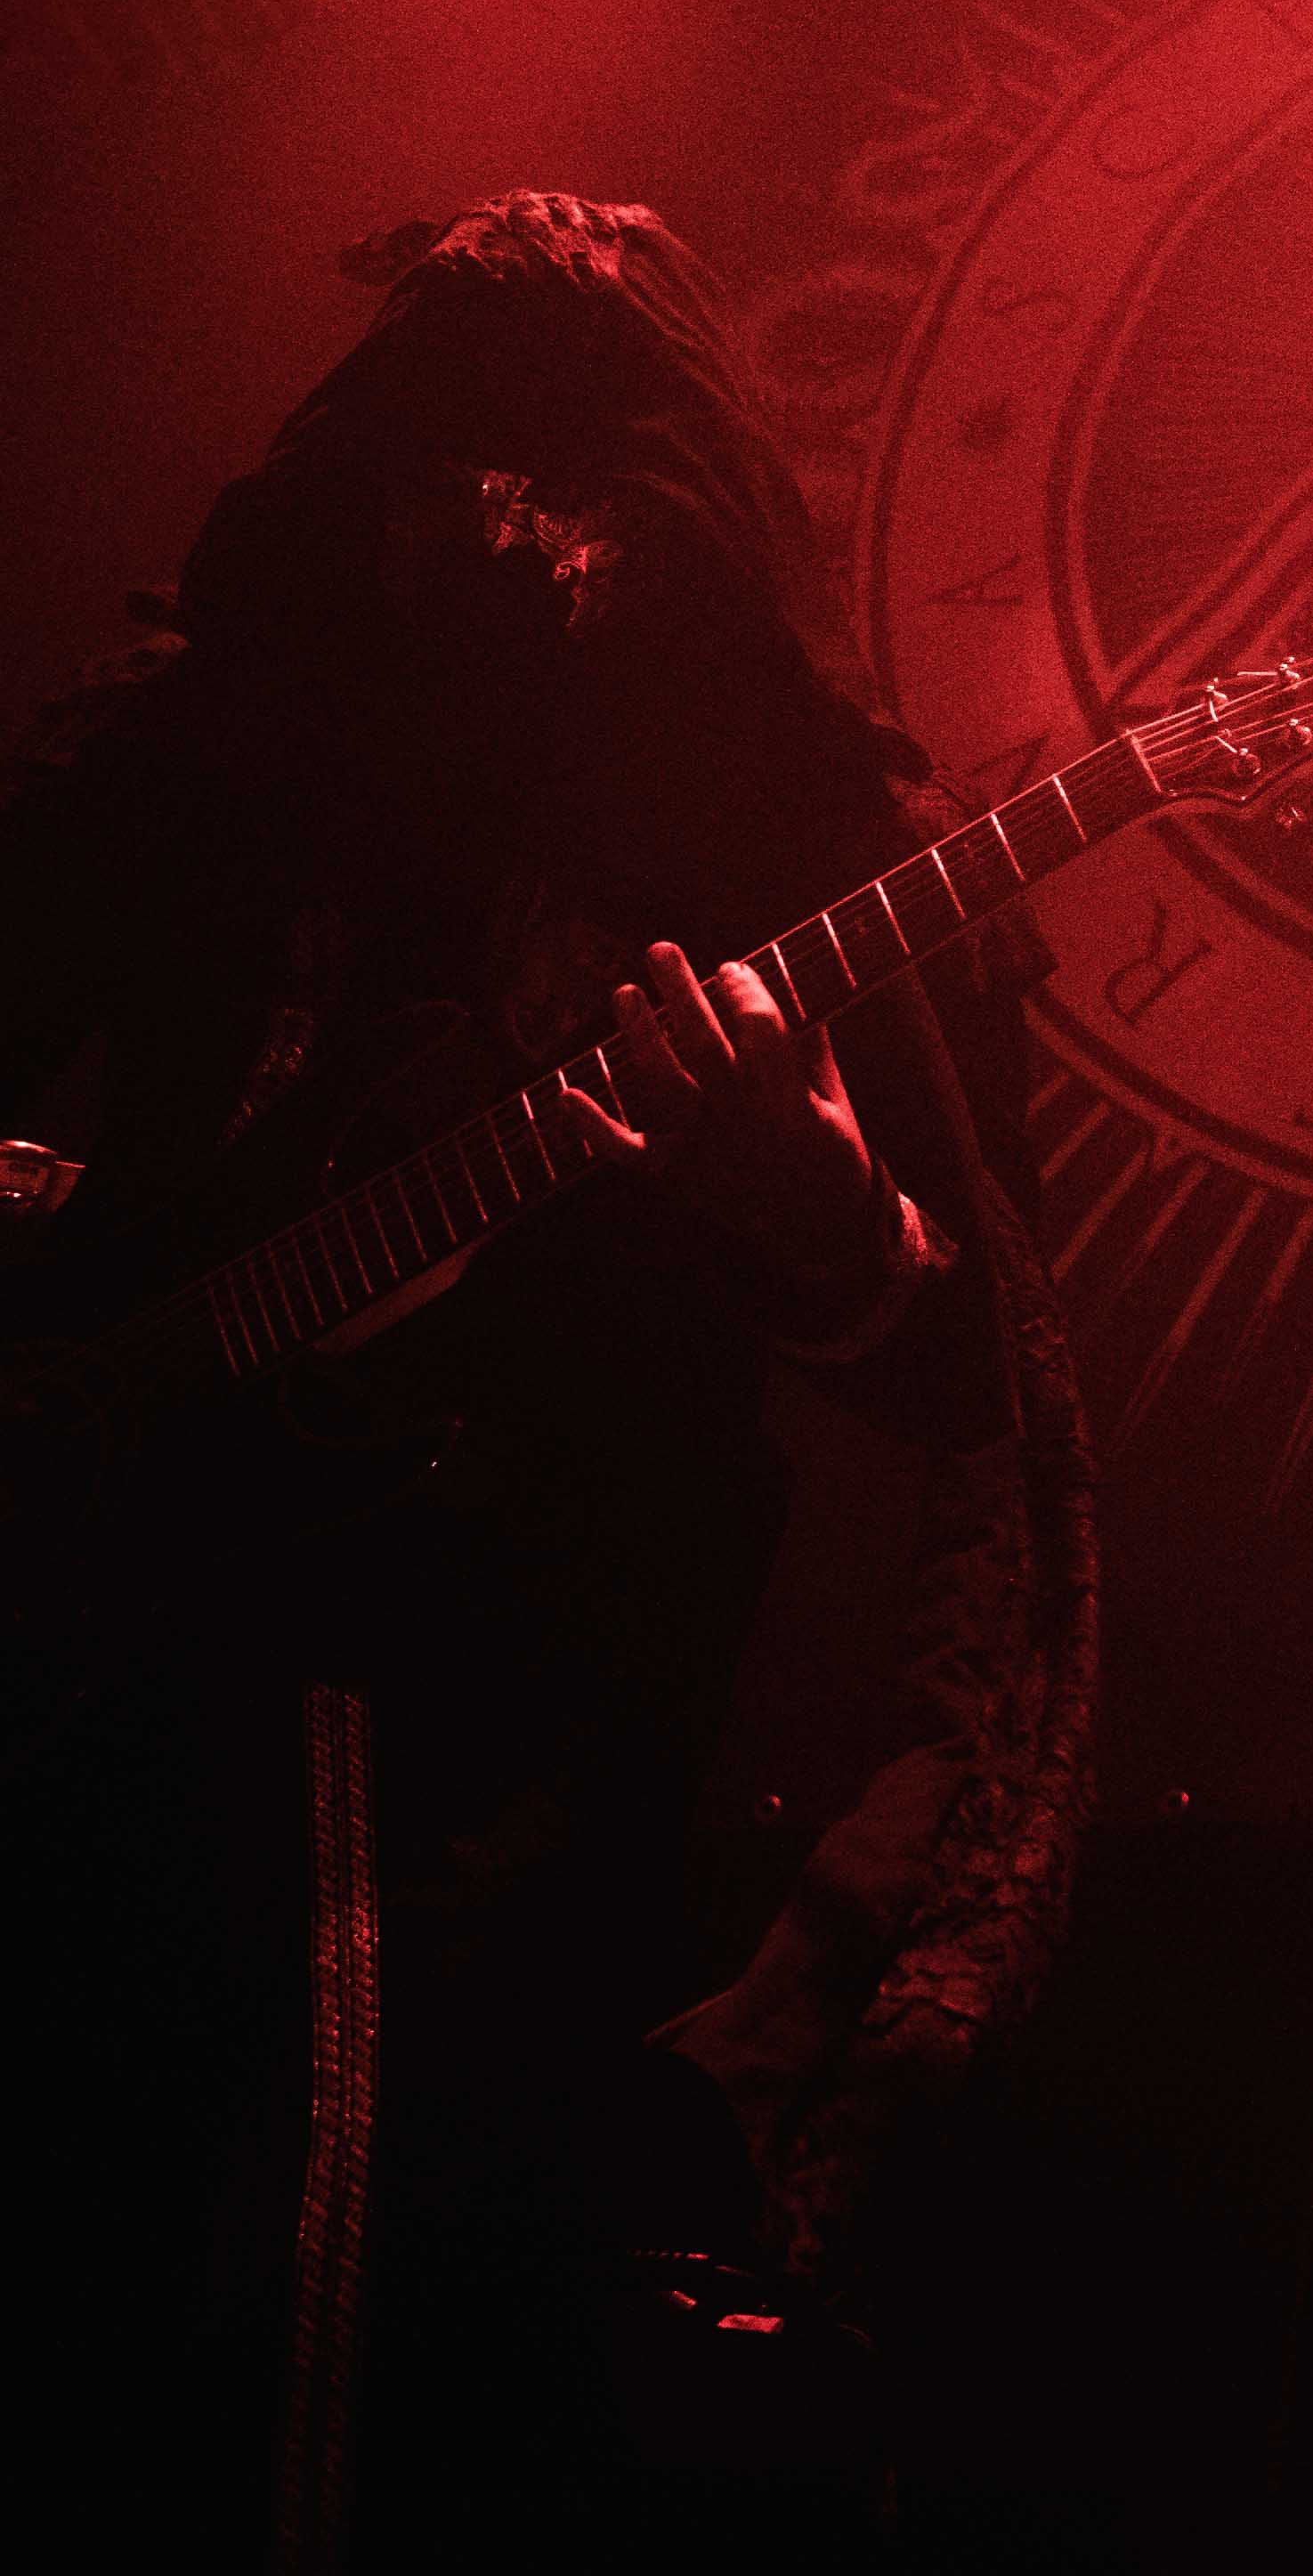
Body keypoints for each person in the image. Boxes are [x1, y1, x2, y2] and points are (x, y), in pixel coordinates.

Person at [0, 193, 1096, 2563]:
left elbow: (982, 1400)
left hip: (531, 1694)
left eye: (547, 491)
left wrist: (823, 1213)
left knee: (383, 2296)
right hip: (115, 1644)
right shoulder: (213, 751)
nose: (488, 543)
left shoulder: (801, 830)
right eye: (433, 480)